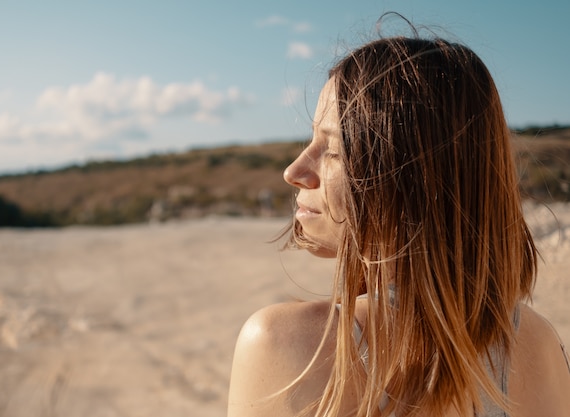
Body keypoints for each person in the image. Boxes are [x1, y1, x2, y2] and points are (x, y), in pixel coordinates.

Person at [227, 31, 570, 417]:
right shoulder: (537, 344)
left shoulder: (286, 344)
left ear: (412, 180)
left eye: (334, 150)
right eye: (310, 141)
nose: (294, 171)